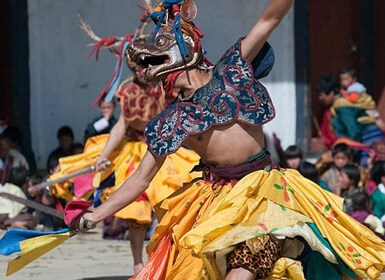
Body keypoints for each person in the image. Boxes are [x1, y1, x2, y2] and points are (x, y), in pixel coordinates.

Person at [73, 1, 385, 279]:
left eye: (157, 57)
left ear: (186, 50)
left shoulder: (233, 70)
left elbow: (270, 19)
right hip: (217, 202)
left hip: (267, 191)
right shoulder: (171, 119)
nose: (151, 70)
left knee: (247, 264)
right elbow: (140, 179)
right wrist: (94, 215)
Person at [316, 75, 384, 167]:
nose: (320, 98)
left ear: (331, 93)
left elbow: (353, 131)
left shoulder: (342, 106)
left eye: (321, 95)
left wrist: (349, 153)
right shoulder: (340, 103)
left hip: (367, 139)